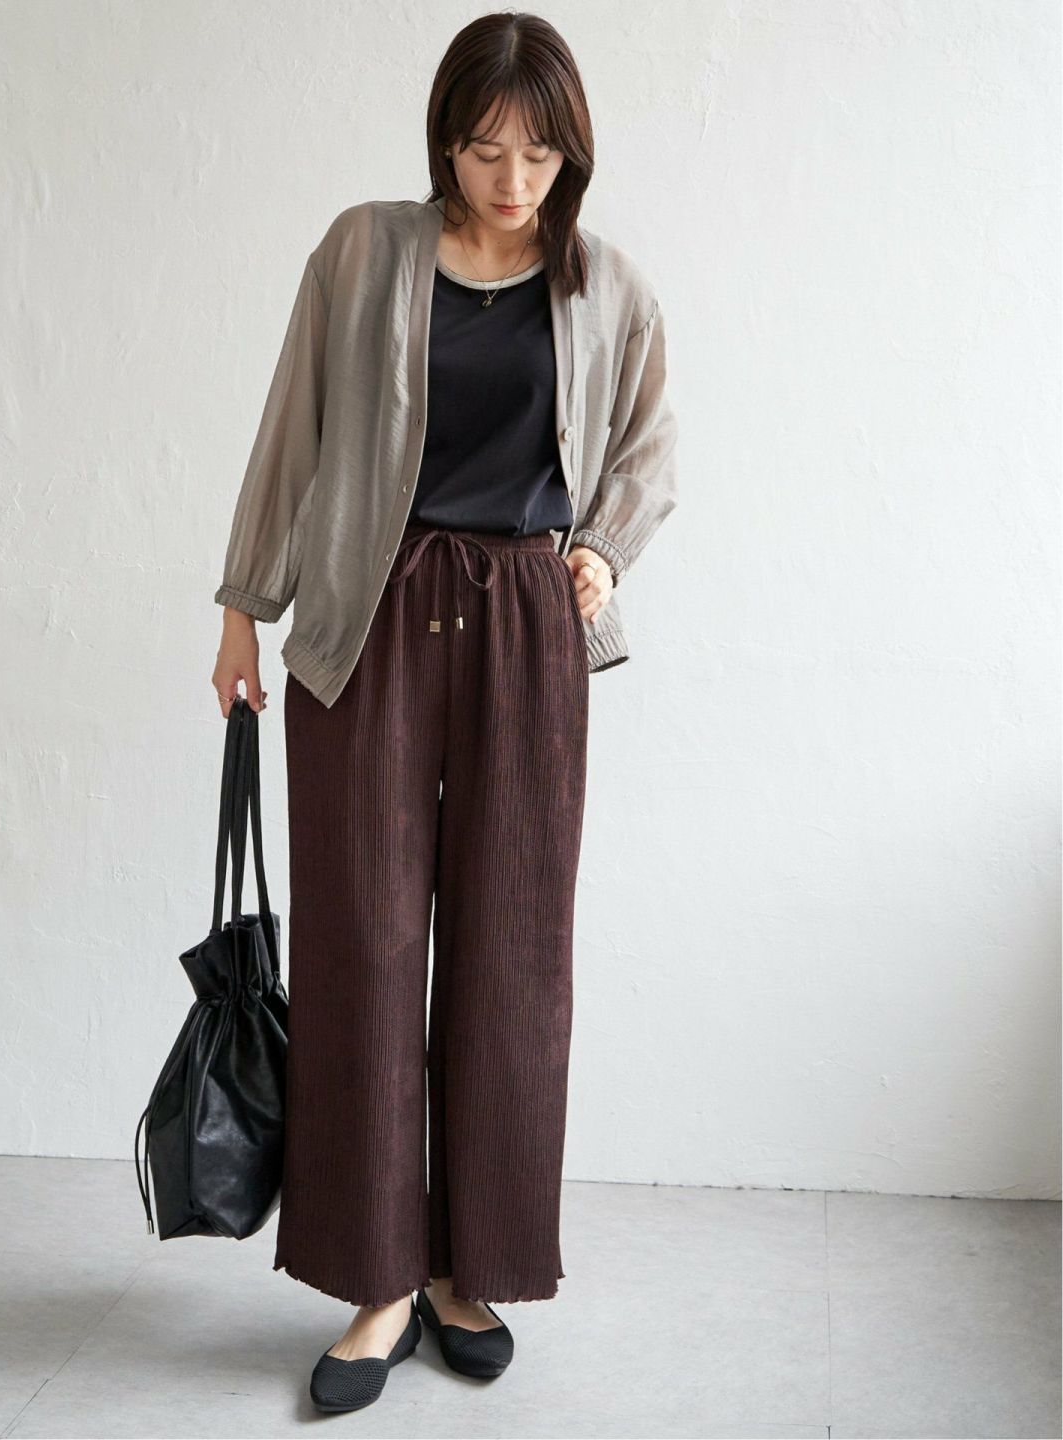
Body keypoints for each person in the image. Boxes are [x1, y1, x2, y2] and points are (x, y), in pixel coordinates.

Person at [210, 11, 679, 1415]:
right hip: (369, 619)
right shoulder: (364, 253)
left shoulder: (607, 288)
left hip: (528, 626)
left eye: (539, 153)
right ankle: (379, 1279)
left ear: (572, 152)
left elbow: (649, 447)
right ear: (445, 142)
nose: (513, 179)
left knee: (511, 952)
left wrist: (604, 552)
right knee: (361, 946)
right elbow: (291, 428)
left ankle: (472, 1266)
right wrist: (242, 607)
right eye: (485, 149)